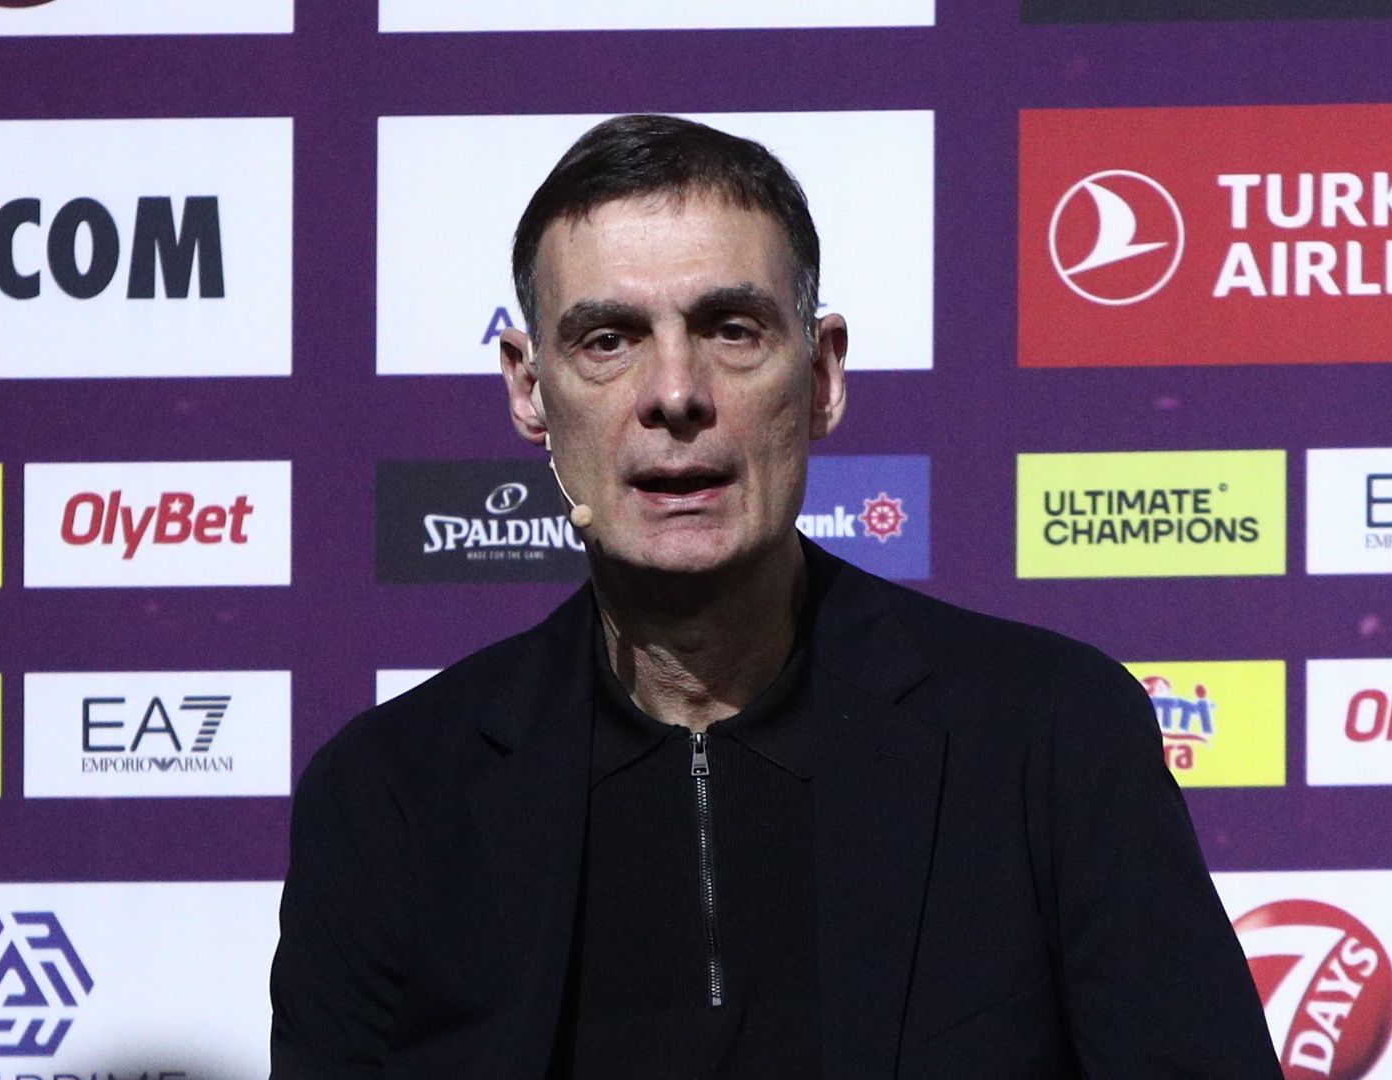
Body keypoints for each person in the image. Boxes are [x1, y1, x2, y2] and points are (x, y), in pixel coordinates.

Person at [270, 114, 1282, 1080]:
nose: (675, 393)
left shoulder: (1050, 737)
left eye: (732, 330)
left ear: (823, 374)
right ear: (530, 391)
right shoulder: (389, 798)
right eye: (609, 339)